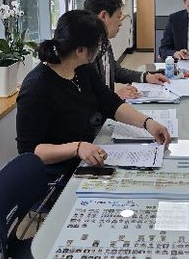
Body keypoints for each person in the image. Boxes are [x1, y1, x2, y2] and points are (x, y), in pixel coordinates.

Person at [16, 10, 171, 175]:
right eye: (97, 46)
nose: (99, 50)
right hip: (61, 172)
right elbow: (29, 151)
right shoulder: (36, 87)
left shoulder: (82, 69)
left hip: (92, 157)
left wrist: (148, 123)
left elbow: (110, 103)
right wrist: (77, 148)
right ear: (80, 50)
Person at [84, 0, 168, 99]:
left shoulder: (104, 43)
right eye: (118, 17)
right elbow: (82, 100)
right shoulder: (84, 52)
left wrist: (146, 77)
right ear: (103, 16)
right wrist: (115, 96)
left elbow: (115, 72)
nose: (120, 23)